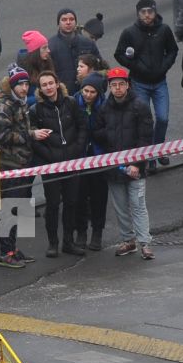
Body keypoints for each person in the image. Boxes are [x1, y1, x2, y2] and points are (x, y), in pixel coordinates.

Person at [94, 68, 154, 260]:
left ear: (128, 85)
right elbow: (97, 131)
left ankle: (145, 243)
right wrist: (107, 137)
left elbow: (145, 138)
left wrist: (137, 163)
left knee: (137, 205)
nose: (117, 88)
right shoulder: (104, 108)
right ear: (109, 87)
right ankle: (128, 240)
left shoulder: (140, 106)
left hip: (136, 167)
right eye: (114, 85)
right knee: (120, 205)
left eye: (121, 84)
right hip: (114, 167)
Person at [28, 71, 87, 257]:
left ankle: (68, 242)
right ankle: (53, 243)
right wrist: (50, 156)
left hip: (72, 162)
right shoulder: (35, 110)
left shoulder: (71, 103)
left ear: (57, 83)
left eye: (50, 83)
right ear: (40, 89)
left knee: (71, 202)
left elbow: (83, 127)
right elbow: (34, 140)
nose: (48, 87)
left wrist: (76, 148)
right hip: (50, 165)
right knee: (52, 204)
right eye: (44, 85)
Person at [0, 68, 36, 268]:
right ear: (12, 85)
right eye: (20, 84)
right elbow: (2, 136)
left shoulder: (19, 103)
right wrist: (31, 135)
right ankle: (5, 253)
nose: (24, 88)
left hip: (21, 164)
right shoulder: (2, 106)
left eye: (26, 84)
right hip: (8, 165)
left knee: (16, 209)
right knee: (8, 210)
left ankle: (12, 249)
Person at [115, 0, 177, 146]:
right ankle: (147, 153)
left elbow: (172, 51)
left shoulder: (164, 30)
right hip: (139, 84)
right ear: (138, 14)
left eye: (150, 11)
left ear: (155, 12)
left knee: (163, 118)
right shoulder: (129, 32)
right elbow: (119, 54)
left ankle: (157, 149)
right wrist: (136, 66)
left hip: (160, 83)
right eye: (143, 12)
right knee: (144, 120)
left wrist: (164, 67)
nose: (147, 15)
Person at [73, 72, 109, 253]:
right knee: (79, 196)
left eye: (92, 92)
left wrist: (94, 135)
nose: (87, 95)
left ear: (99, 94)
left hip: (99, 157)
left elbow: (108, 132)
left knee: (99, 197)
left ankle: (97, 232)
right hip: (80, 158)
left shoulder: (105, 108)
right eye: (85, 90)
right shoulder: (73, 104)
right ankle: (81, 231)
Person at [48, 7, 100, 89]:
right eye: (64, 20)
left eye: (71, 19)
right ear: (58, 23)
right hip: (62, 94)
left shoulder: (88, 43)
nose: (68, 22)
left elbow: (100, 68)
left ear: (75, 22)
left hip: (87, 92)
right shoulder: (50, 45)